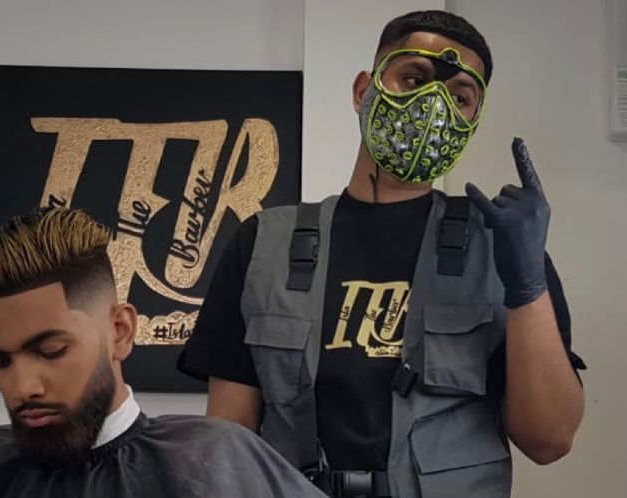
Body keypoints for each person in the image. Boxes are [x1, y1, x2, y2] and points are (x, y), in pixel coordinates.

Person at [178, 10, 586, 498]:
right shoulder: (263, 246)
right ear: (363, 90)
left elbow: (549, 439)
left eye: (459, 97)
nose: (432, 105)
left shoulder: (503, 250)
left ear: (472, 122)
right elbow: (230, 441)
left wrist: (527, 285)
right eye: (413, 78)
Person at [0, 208, 327, 498]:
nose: (22, 387)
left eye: (50, 351)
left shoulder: (214, 463)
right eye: (0, 361)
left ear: (120, 331)